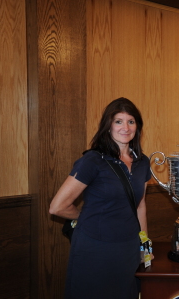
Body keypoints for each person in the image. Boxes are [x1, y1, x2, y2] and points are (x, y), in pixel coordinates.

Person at [49, 97, 151, 299]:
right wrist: (84, 216)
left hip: (128, 248)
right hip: (95, 248)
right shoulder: (92, 161)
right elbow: (57, 207)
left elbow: (140, 206)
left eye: (131, 121)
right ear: (108, 126)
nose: (125, 127)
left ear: (137, 126)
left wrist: (145, 245)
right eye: (118, 121)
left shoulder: (143, 162)